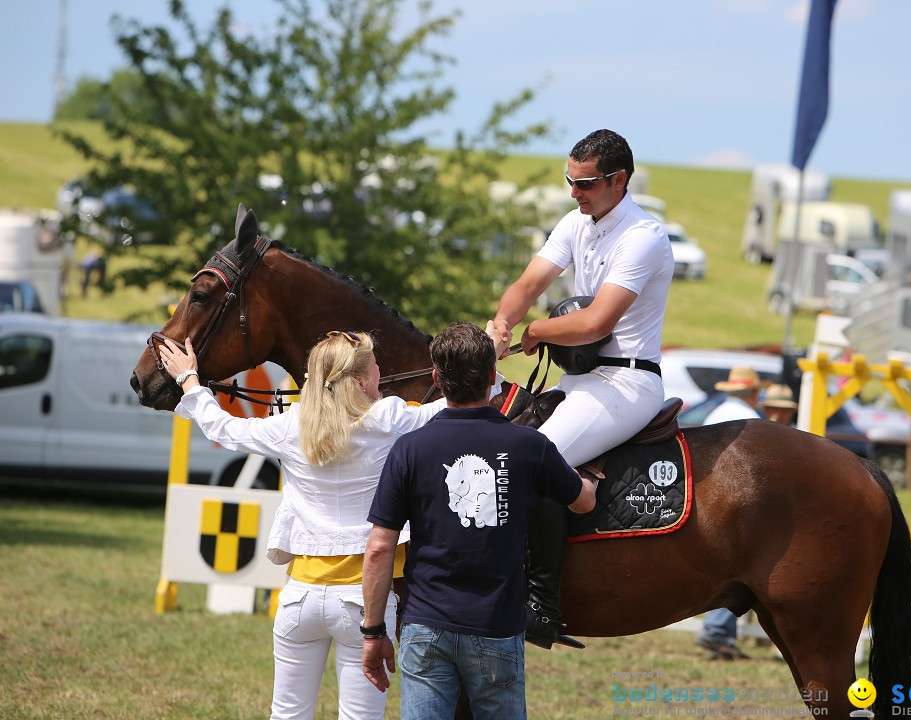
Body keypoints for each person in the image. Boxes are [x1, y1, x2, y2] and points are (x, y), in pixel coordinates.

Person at [158, 330, 452, 720]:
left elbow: (223, 429)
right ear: (362, 380)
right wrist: (490, 363)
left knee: (287, 715)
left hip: (299, 598)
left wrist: (189, 380)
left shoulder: (290, 424)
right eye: (377, 366)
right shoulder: (388, 418)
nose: (382, 372)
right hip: (364, 603)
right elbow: (454, 408)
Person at [487, 129, 673, 645]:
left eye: (585, 183)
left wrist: (535, 332)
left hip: (626, 381)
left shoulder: (644, 236)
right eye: (568, 180)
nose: (574, 192)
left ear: (620, 179)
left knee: (534, 457)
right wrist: (502, 321)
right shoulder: (575, 222)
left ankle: (543, 605)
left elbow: (596, 323)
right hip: (581, 379)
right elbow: (527, 285)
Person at [360, 322, 596, 719]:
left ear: (437, 378)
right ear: (492, 377)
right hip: (497, 629)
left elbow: (380, 547)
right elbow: (582, 503)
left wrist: (372, 632)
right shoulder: (530, 445)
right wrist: (587, 479)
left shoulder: (408, 449)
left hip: (425, 626)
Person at [695, 365, 765, 660]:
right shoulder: (752, 419)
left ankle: (717, 632)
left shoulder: (716, 414)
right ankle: (717, 631)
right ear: (753, 392)